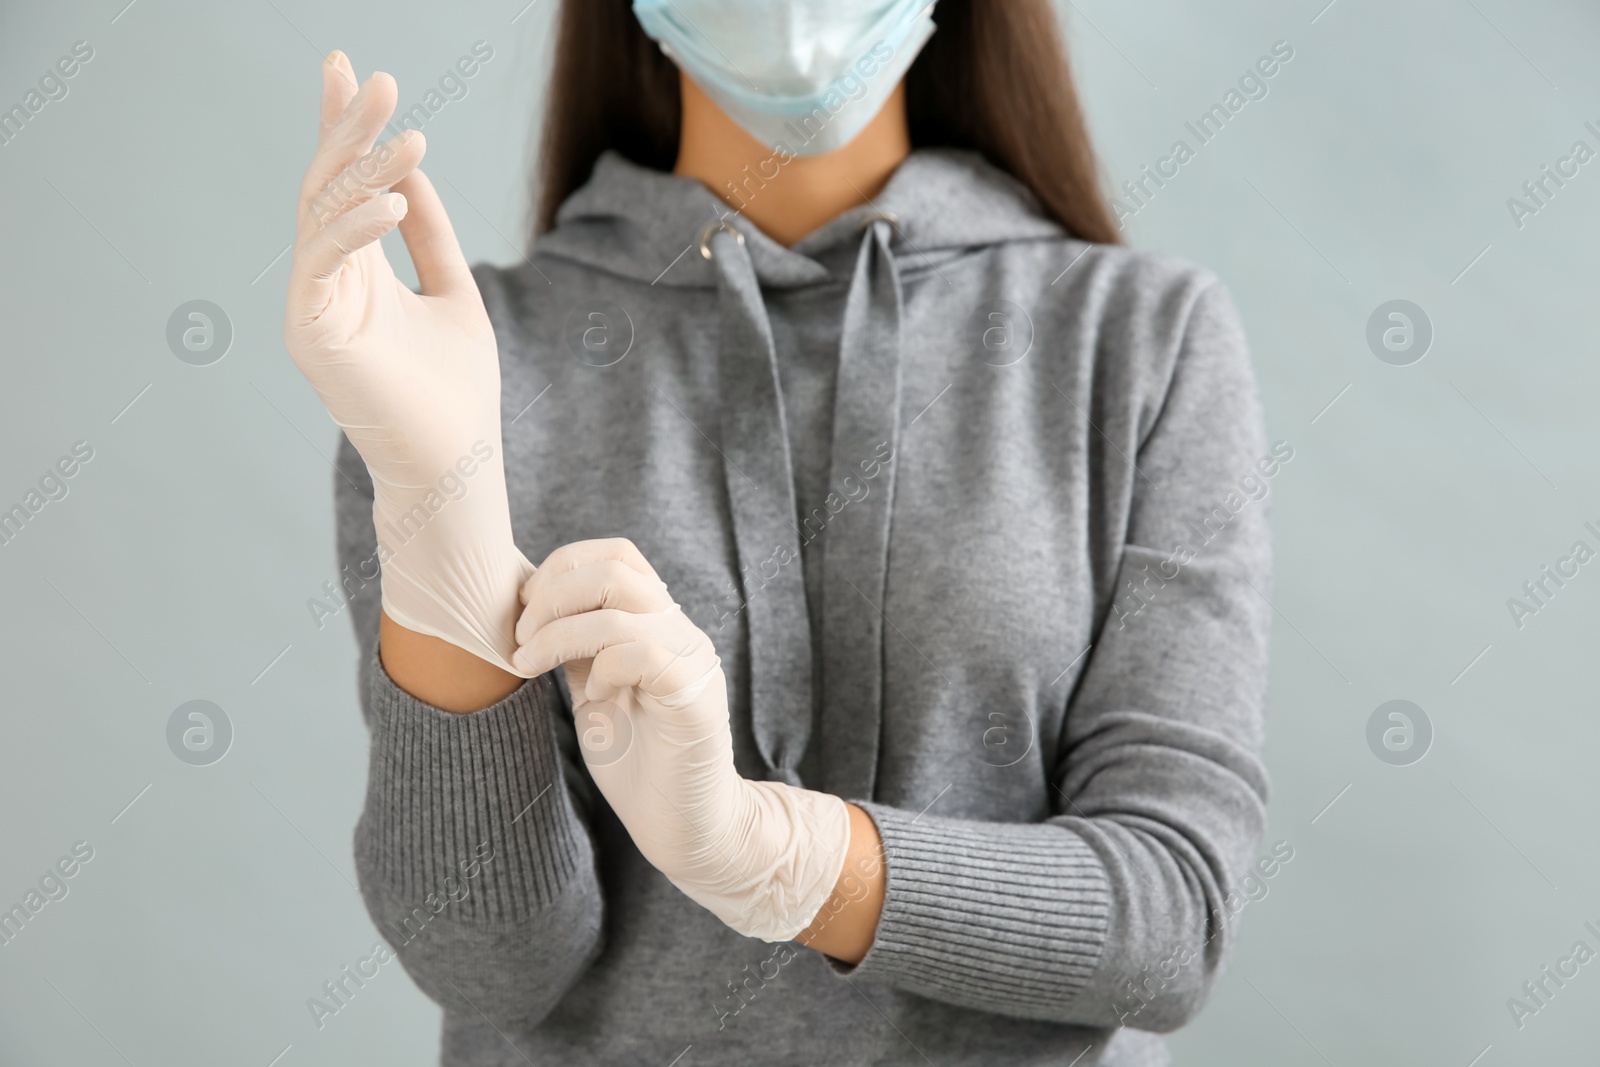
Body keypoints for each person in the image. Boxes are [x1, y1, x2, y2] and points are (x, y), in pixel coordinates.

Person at [281, 1, 1274, 1063]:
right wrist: (439, 496)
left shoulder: (1139, 337)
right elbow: (489, 963)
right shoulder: (458, 360)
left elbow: (1171, 917)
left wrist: (771, 853)